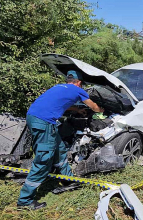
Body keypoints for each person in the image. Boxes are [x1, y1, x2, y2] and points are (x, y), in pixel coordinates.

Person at [17, 70, 104, 210]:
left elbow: (62, 103)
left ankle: (67, 179)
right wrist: (102, 110)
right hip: (44, 122)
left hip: (35, 117)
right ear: (79, 83)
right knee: (43, 160)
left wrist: (76, 110)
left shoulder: (58, 87)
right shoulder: (77, 90)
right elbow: (93, 106)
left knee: (59, 149)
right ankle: (25, 200)